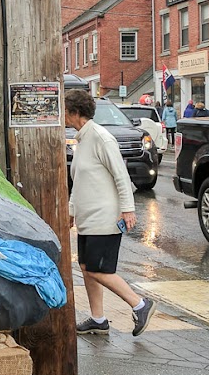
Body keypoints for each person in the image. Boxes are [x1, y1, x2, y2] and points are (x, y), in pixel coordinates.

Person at [65, 89, 157, 338]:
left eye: (65, 110)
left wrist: (128, 209)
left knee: (99, 270)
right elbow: (79, 181)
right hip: (88, 219)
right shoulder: (82, 139)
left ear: (75, 112)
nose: (62, 115)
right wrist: (72, 211)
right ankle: (98, 318)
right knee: (86, 267)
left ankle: (140, 304)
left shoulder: (101, 138)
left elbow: (121, 176)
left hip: (104, 218)